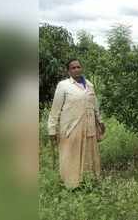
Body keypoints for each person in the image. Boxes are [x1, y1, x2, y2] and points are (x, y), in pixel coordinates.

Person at [47, 59, 105, 188]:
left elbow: (95, 105)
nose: (76, 69)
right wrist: (52, 129)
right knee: (70, 155)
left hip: (89, 126)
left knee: (89, 154)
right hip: (70, 128)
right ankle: (71, 185)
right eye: (73, 68)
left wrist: (100, 121)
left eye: (78, 67)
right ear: (69, 71)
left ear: (82, 68)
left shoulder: (89, 85)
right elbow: (55, 110)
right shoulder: (63, 86)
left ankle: (88, 182)